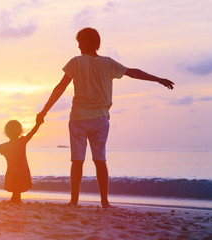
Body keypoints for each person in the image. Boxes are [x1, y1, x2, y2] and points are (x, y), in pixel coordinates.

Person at [36, 27, 174, 208]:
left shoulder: (76, 62)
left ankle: (74, 201)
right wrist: (158, 79)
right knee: (100, 160)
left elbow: (60, 88)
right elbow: (133, 72)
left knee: (77, 160)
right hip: (100, 119)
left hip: (79, 118)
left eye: (79, 43)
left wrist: (44, 111)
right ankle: (104, 202)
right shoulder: (108, 63)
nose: (78, 47)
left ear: (85, 42)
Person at [0, 120, 41, 204]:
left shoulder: (4, 146)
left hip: (12, 171)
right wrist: (38, 123)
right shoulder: (22, 141)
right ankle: (15, 200)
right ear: (20, 131)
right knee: (17, 190)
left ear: (6, 133)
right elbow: (32, 132)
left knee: (16, 190)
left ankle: (14, 200)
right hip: (22, 170)